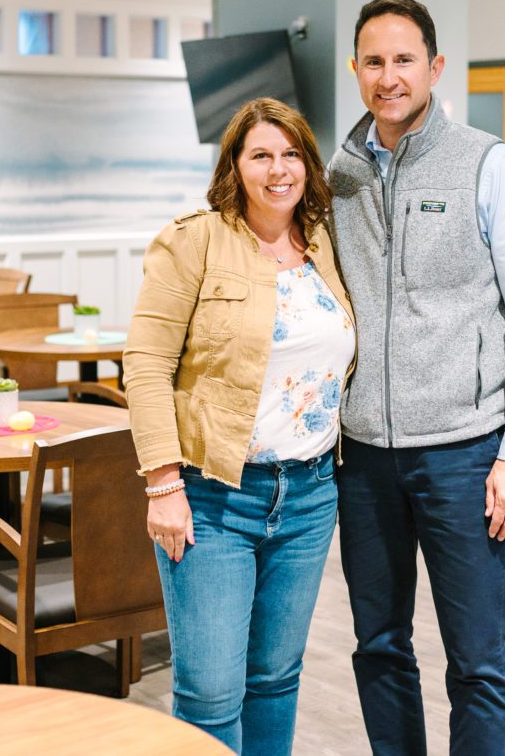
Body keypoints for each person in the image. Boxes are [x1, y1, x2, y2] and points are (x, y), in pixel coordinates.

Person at [327, 0, 505, 755]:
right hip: (363, 460)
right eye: (373, 60)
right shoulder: (339, 175)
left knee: (479, 663)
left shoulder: (489, 165)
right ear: (355, 68)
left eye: (403, 59)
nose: (388, 77)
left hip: (466, 455)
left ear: (434, 67)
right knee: (380, 646)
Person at [123, 97, 355, 755]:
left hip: (310, 495)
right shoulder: (194, 240)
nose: (277, 169)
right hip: (214, 495)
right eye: (260, 154)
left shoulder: (323, 244)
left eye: (290, 154)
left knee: (276, 678)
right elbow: (144, 364)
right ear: (235, 164)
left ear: (309, 164)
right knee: (210, 690)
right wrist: (162, 484)